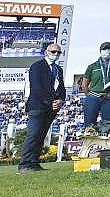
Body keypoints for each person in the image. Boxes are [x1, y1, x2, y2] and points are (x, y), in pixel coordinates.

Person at [18, 43, 65, 173]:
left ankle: (34, 162)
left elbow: (61, 88)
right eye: (53, 51)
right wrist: (51, 102)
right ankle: (25, 164)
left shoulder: (58, 70)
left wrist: (60, 100)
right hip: (37, 106)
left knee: (41, 135)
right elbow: (37, 88)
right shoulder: (37, 66)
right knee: (33, 135)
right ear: (46, 52)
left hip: (51, 109)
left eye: (58, 53)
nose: (55, 54)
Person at [81, 42, 110, 132]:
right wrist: (90, 95)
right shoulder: (92, 66)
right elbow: (84, 85)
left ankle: (106, 144)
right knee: (89, 126)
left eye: (109, 49)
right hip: (93, 98)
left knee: (108, 126)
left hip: (109, 99)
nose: (106, 51)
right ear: (100, 51)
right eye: (104, 49)